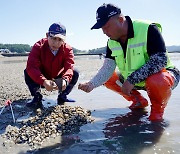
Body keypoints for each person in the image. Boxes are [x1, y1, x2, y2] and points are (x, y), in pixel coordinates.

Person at [78, 3, 180, 121]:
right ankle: (138, 101)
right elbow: (108, 68)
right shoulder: (111, 41)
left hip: (163, 77)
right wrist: (91, 84)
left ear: (120, 20)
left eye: (106, 26)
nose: (104, 32)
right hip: (134, 81)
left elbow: (160, 60)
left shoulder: (148, 29)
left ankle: (157, 115)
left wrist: (132, 79)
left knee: (158, 81)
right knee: (108, 78)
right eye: (102, 28)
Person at [24, 22, 79, 109]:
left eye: (60, 40)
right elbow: (31, 66)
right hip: (41, 78)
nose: (56, 43)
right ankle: (37, 96)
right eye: (53, 38)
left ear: (64, 40)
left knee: (75, 72)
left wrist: (65, 80)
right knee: (27, 71)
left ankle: (62, 96)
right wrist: (43, 81)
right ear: (47, 35)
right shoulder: (38, 46)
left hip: (58, 78)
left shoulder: (68, 49)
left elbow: (69, 67)